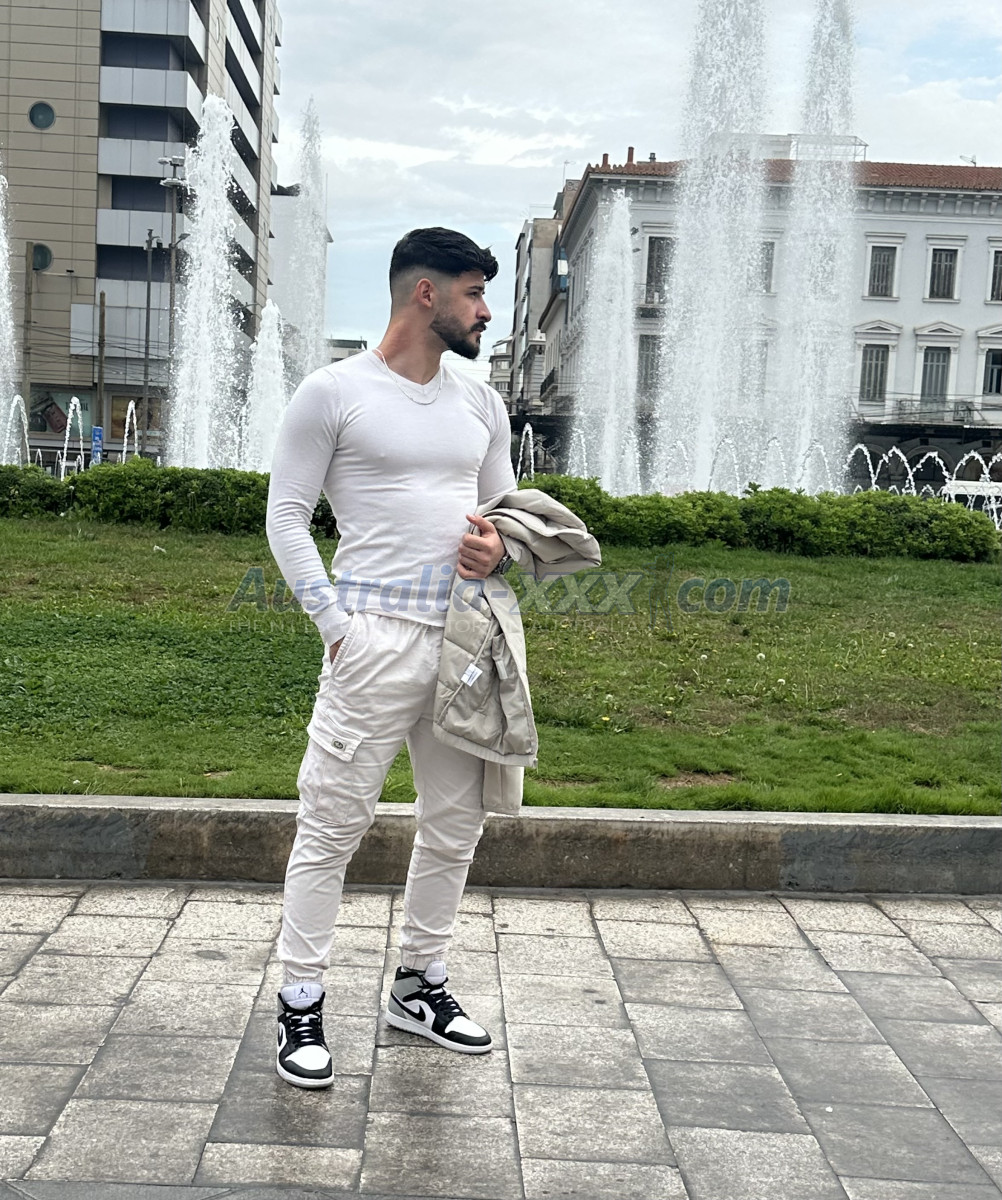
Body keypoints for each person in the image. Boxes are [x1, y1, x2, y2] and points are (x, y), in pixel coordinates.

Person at [265, 227, 517, 1089]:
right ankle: (301, 999)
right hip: (370, 635)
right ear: (426, 293)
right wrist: (335, 625)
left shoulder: (480, 403)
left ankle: (419, 985)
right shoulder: (334, 392)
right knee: (332, 823)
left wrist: (498, 550)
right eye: (474, 293)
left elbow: (503, 513)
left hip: (463, 639)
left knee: (456, 823)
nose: (486, 311)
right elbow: (286, 516)